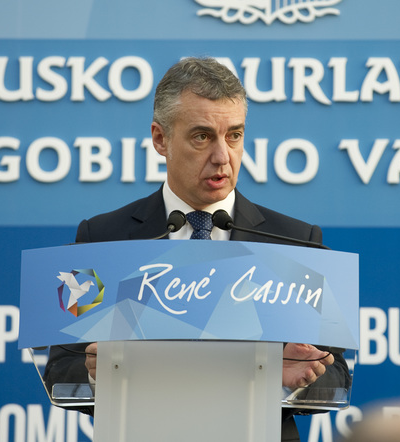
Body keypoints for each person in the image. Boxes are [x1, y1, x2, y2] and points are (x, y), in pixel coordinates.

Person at [44, 56, 351, 442]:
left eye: (234, 135)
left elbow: (336, 373)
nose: (223, 156)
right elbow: (63, 368)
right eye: (202, 136)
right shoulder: (103, 238)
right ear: (161, 139)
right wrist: (97, 371)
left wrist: (288, 379)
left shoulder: (293, 241)